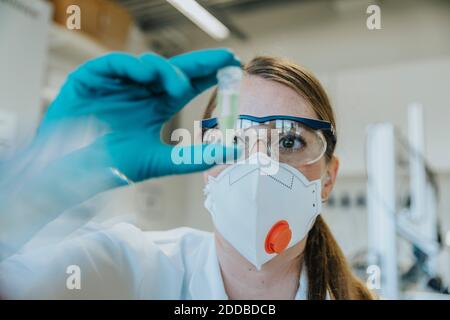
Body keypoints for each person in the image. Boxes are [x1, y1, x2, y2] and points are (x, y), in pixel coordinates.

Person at [0, 49, 373, 299]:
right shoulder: (131, 269)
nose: (260, 164)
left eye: (289, 142)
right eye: (233, 139)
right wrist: (38, 193)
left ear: (327, 179)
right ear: (204, 167)